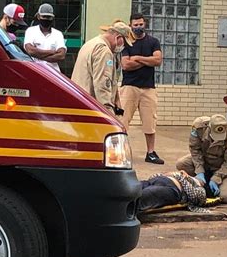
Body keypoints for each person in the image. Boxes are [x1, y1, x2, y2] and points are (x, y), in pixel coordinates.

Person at [120, 13, 164, 165]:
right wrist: (147, 61)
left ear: (145, 24)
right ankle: (120, 152)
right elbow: (125, 64)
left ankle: (150, 153)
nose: (138, 27)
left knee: (150, 122)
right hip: (129, 87)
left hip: (148, 88)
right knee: (122, 121)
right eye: (135, 25)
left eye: (140, 24)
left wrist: (137, 58)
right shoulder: (126, 43)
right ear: (130, 25)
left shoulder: (153, 41)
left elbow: (158, 60)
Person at [71, 21, 135, 114]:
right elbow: (102, 85)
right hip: (92, 107)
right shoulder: (104, 51)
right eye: (124, 43)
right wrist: (108, 113)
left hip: (80, 101)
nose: (123, 47)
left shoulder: (90, 44)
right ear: (118, 37)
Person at [176, 114, 227, 204]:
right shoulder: (199, 127)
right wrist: (199, 171)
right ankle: (201, 180)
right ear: (209, 128)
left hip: (221, 166)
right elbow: (195, 150)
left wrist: (216, 178)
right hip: (204, 161)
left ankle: (222, 182)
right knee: (181, 164)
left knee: (226, 197)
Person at [137, 170, 207, 213]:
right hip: (155, 180)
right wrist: (175, 174)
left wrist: (185, 179)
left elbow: (196, 197)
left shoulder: (201, 190)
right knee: (131, 188)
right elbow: (163, 174)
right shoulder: (183, 174)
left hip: (172, 188)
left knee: (144, 195)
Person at [24, 3, 66, 72]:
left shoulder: (58, 34)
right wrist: (52, 52)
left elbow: (61, 55)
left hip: (54, 73)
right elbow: (30, 50)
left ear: (52, 18)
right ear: (38, 16)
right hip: (35, 71)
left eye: (48, 17)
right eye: (44, 16)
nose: (46, 19)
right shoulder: (31, 31)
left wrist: (37, 55)